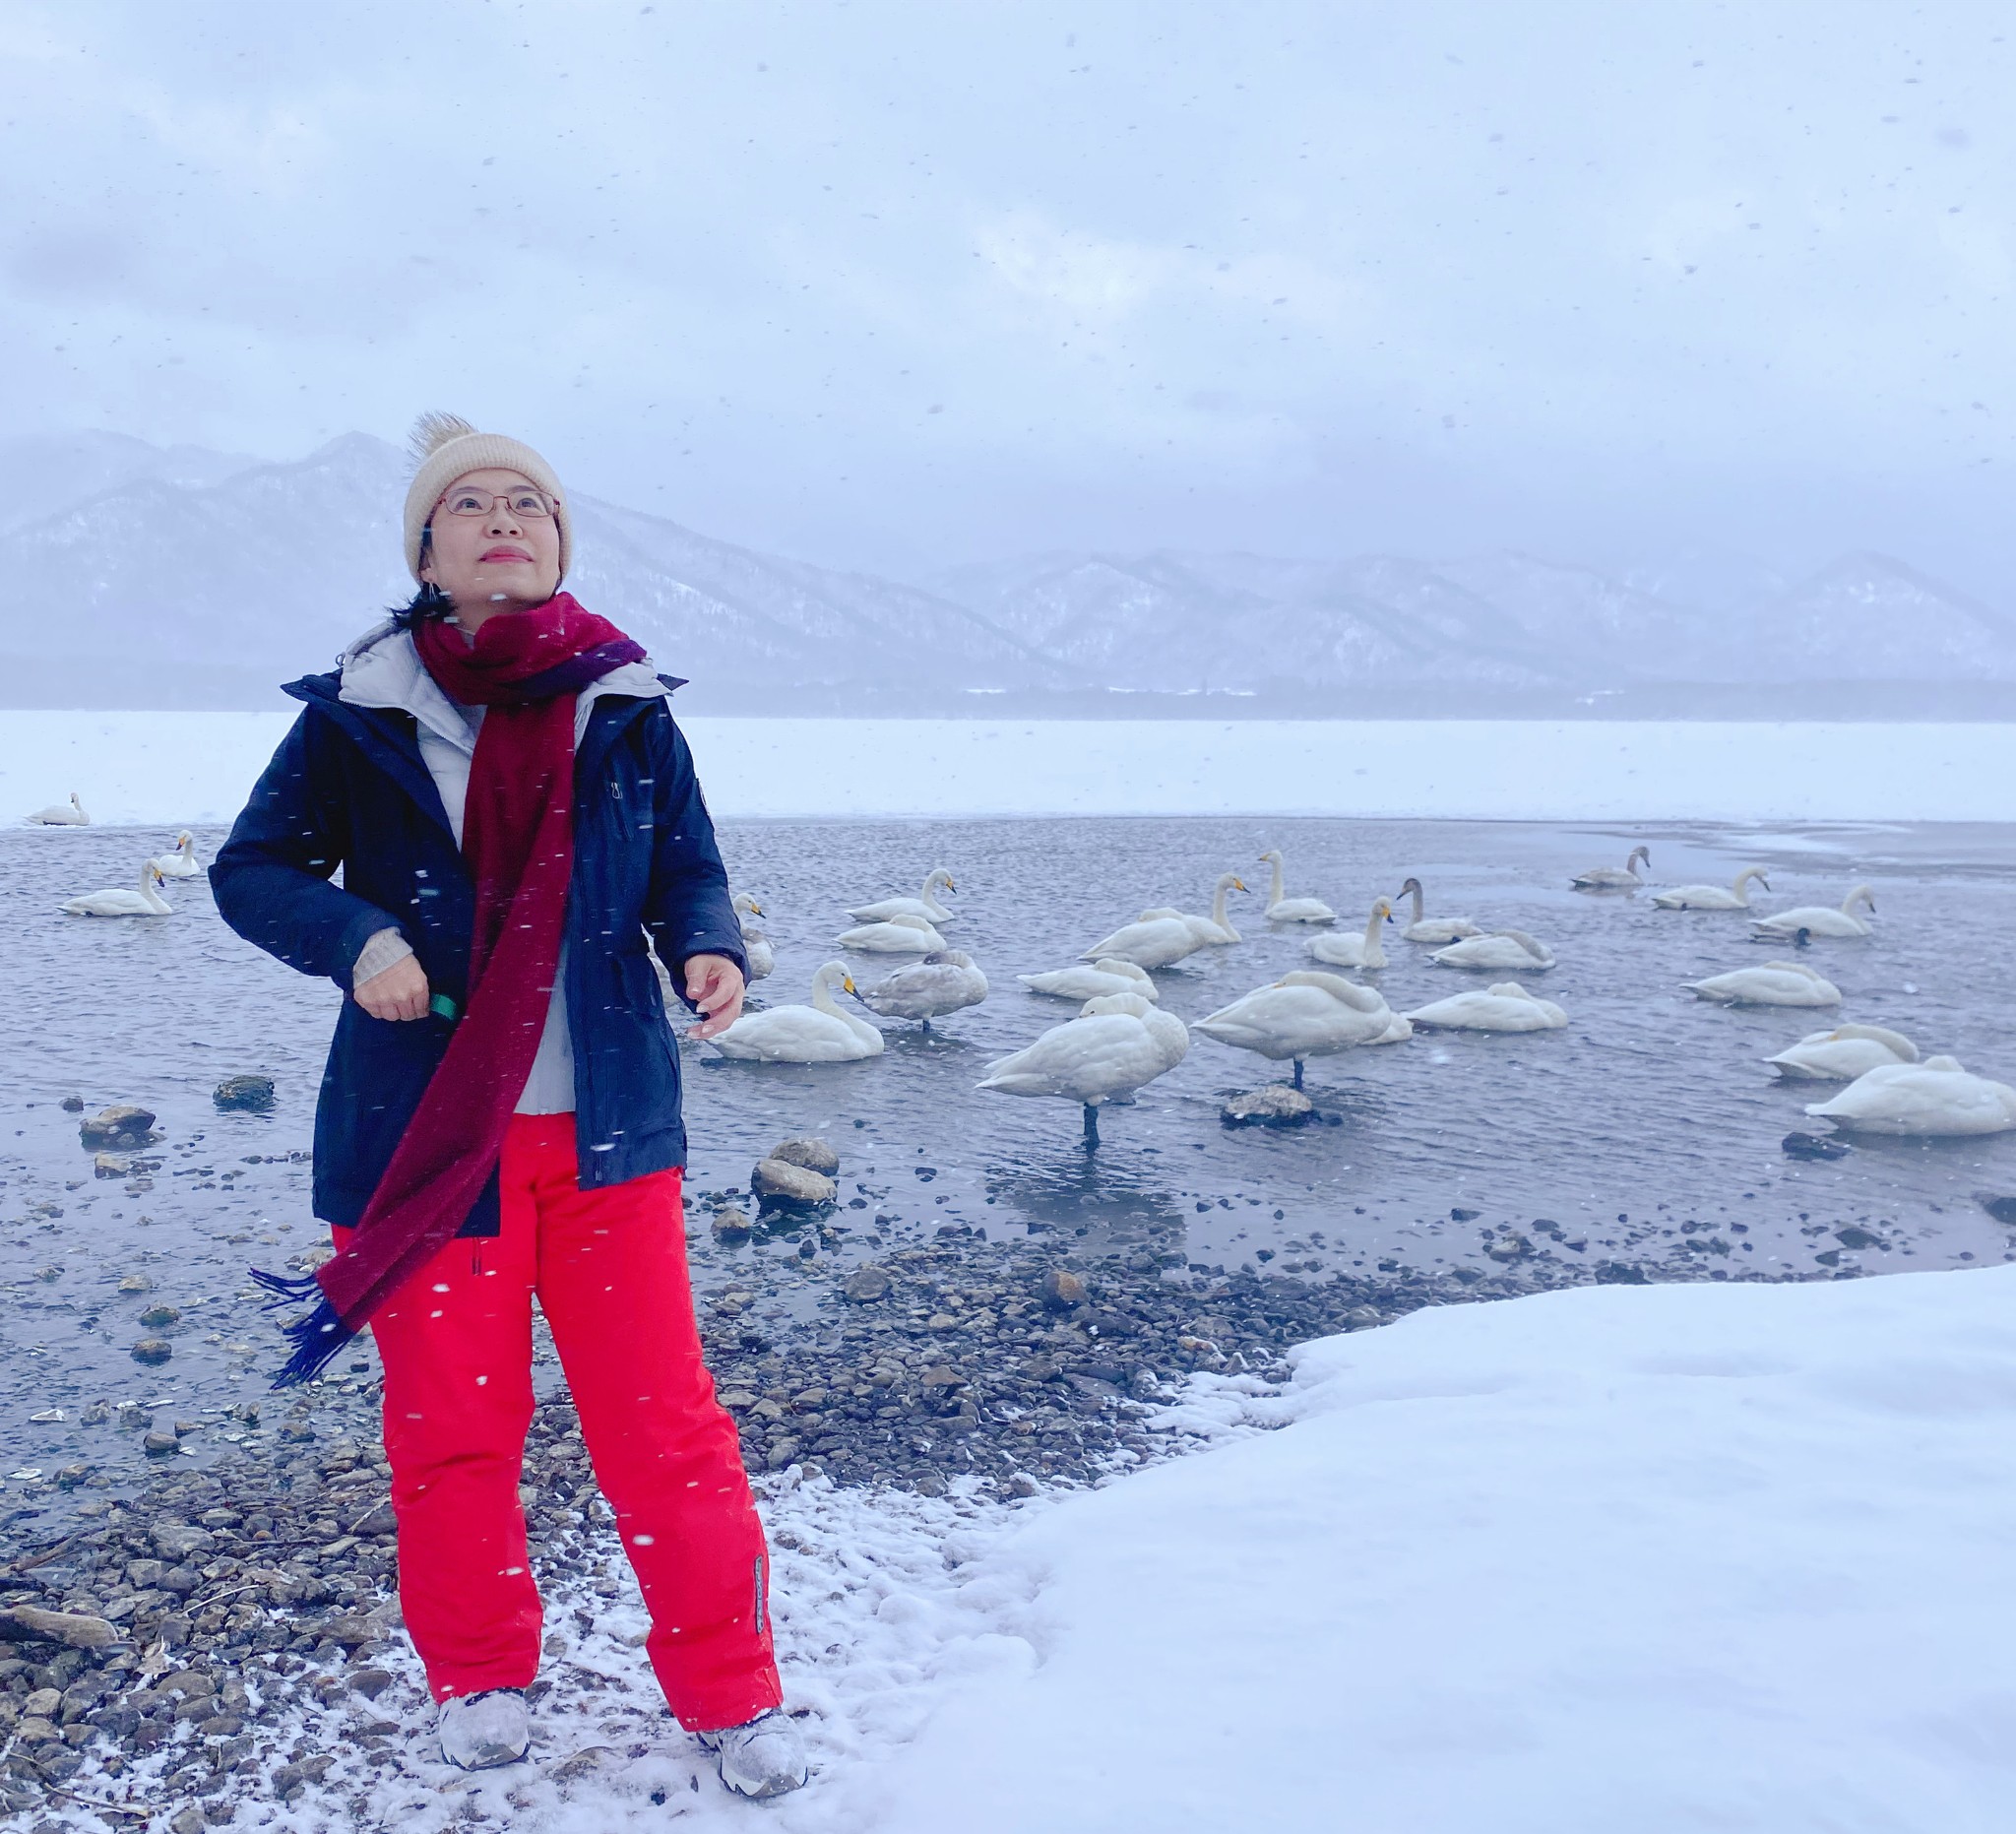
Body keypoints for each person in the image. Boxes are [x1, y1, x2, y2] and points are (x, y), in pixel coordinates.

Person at [211, 412, 807, 1801]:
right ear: (426, 548)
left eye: (528, 501)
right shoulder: (358, 718)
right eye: (469, 503)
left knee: (663, 1426)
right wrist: (359, 940)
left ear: (557, 542)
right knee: (453, 1428)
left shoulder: (629, 709)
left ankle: (729, 1689)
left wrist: (703, 944)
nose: (502, 518)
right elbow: (254, 870)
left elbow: (686, 869)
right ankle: (479, 1672)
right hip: (431, 1146)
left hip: (607, 1138)